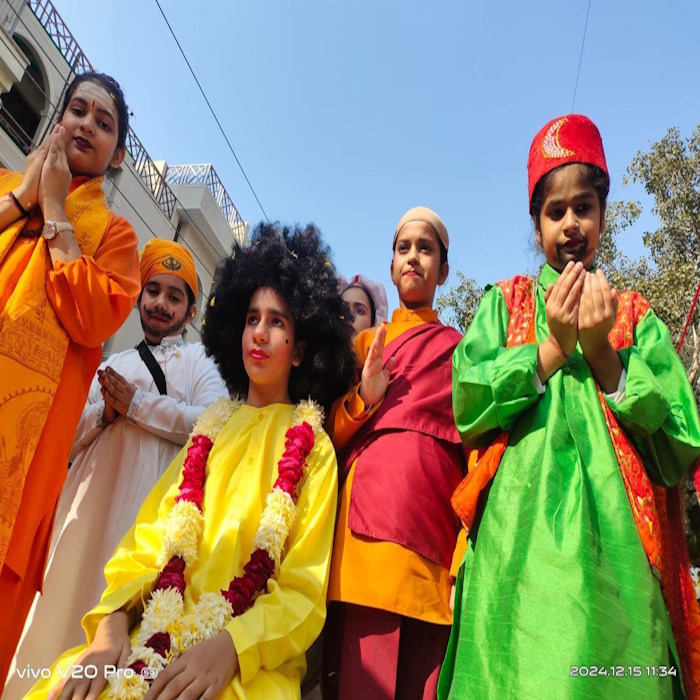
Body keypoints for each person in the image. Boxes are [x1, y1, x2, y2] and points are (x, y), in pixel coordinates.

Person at [27, 222, 356, 700]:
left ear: (302, 349)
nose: (259, 334)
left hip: (245, 664)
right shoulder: (210, 429)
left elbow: (302, 592)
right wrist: (111, 626)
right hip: (150, 633)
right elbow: (147, 542)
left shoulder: (314, 448)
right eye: (251, 319)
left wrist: (231, 648)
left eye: (278, 322)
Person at [439, 115, 700, 699]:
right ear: (537, 227)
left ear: (603, 215)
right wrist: (552, 348)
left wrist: (605, 353)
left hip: (621, 562)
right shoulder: (504, 306)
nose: (570, 225)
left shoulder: (633, 316)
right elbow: (468, 402)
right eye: (555, 212)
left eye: (583, 207)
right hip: (516, 549)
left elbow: (680, 442)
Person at [6, 239, 228, 698]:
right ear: (137, 297)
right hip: (87, 505)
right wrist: (106, 415)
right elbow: (67, 437)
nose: (161, 304)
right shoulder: (111, 363)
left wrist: (139, 405)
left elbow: (214, 423)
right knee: (64, 605)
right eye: (153, 291)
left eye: (175, 296)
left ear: (190, 312)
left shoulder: (199, 363)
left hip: (145, 518)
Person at [0, 71, 140, 687]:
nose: (86, 124)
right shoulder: (6, 189)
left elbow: (90, 320)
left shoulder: (116, 237)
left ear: (117, 154)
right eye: (77, 110)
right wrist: (24, 199)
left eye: (103, 122)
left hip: (21, 468)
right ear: (58, 119)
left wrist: (54, 209)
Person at [324, 206, 467, 699]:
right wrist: (365, 395)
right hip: (367, 547)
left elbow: (474, 446)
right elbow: (327, 438)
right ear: (391, 266)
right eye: (403, 249)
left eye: (425, 249)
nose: (413, 258)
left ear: (443, 272)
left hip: (433, 548)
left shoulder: (462, 350)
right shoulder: (365, 344)